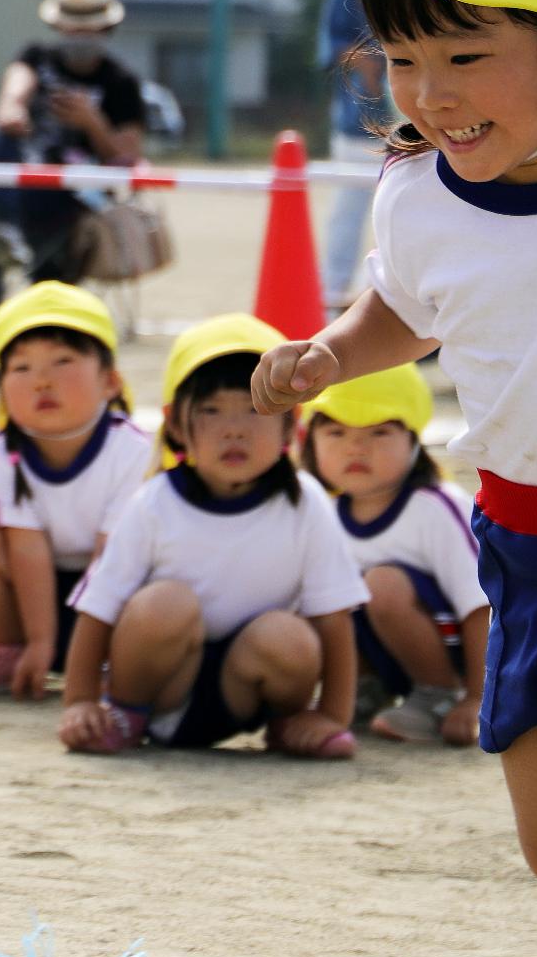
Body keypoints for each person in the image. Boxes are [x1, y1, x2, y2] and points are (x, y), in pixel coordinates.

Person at [251, 0, 537, 870]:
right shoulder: (416, 191)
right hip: (521, 529)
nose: (428, 93)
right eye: (400, 59)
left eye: (463, 58)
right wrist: (330, 351)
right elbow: (407, 306)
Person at [64, 315, 367, 756]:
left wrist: (333, 717)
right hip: (160, 684)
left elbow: (333, 616)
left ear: (290, 424)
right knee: (165, 603)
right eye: (210, 410)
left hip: (242, 691)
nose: (234, 429)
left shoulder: (305, 501)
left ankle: (289, 726)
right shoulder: (154, 501)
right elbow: (99, 607)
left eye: (255, 408)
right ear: (174, 424)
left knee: (288, 634)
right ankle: (124, 717)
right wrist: (79, 702)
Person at [0, 282, 153, 697]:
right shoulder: (1, 453)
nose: (41, 381)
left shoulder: (132, 449)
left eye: (62, 361)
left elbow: (112, 557)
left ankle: (115, 659)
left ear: (110, 381)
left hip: (118, 591)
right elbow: (26, 548)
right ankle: (10, 648)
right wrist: (40, 641)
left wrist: (88, 654)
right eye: (20, 368)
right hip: (35, 594)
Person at [300, 364, 486, 745]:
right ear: (310, 442)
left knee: (381, 584)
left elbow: (481, 604)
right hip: (388, 654)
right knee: (326, 594)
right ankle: (363, 688)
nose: (355, 447)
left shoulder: (434, 507)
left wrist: (477, 698)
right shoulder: (324, 513)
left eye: (380, 432)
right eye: (336, 432)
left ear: (414, 442)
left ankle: (438, 695)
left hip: (460, 657)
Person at [0, 0, 147, 330]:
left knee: (29, 207)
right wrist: (15, 112)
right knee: (1, 147)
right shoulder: (35, 58)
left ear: (104, 28)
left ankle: (17, 295)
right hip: (21, 181)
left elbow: (126, 157)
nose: (78, 34)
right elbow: (10, 99)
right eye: (72, 24)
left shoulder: (121, 83)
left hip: (78, 194)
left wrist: (92, 123)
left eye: (87, 25)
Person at [316, 0, 391, 310]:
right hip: (362, 122)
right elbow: (336, 42)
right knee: (350, 211)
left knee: (405, 214)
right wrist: (373, 71)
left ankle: (388, 303)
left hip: (424, 122)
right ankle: (334, 303)